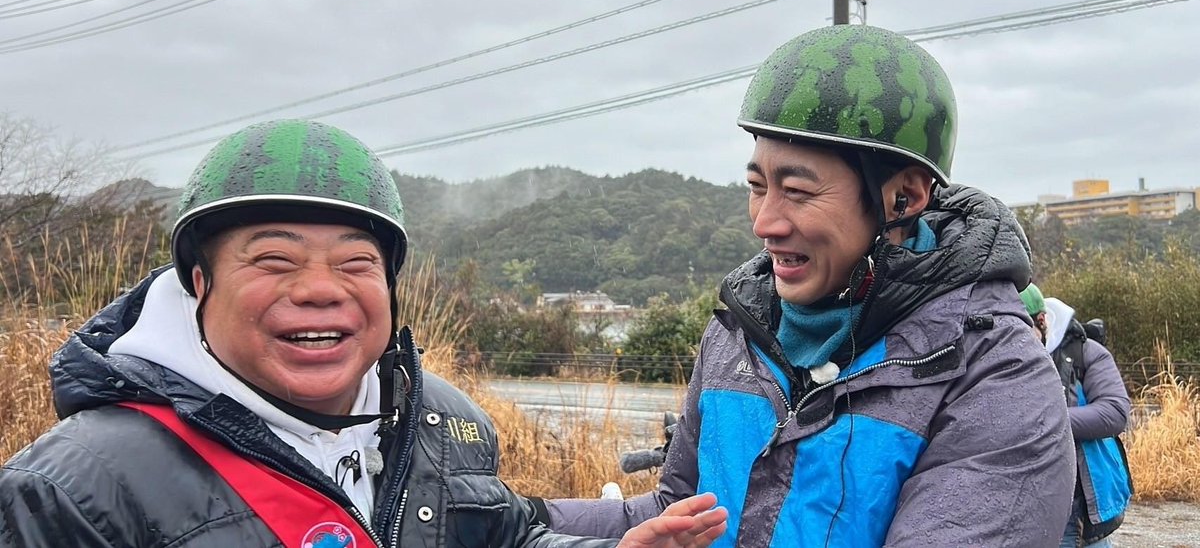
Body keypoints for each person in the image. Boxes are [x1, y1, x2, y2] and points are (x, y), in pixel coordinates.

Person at [0, 119, 727, 548]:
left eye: (356, 261)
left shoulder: (441, 420)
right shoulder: (74, 488)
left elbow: (503, 538)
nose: (321, 288)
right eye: (275, 258)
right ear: (199, 281)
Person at [533, 25, 1076, 546]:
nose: (764, 222)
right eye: (757, 186)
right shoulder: (738, 332)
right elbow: (676, 511)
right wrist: (513, 518)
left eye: (797, 191)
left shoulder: (993, 375)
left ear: (903, 198)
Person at [1042, 296, 1133, 548]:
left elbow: (1114, 412)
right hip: (1029, 496)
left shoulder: (1088, 352)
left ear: (1042, 320)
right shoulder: (1005, 353)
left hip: (1081, 496)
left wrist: (1043, 422)